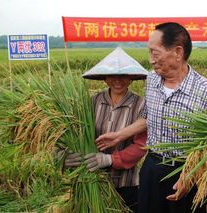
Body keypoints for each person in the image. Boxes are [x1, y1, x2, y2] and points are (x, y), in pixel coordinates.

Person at [96, 22, 207, 213]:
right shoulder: (152, 80)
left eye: (155, 54)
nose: (151, 60)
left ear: (178, 52)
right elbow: (148, 117)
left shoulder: (205, 91)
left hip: (186, 171)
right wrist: (120, 135)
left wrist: (191, 175)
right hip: (152, 168)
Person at [63, 47, 148, 212]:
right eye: (112, 76)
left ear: (131, 78)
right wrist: (65, 155)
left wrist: (110, 159)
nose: (118, 81)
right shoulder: (92, 103)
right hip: (90, 178)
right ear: (104, 78)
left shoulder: (141, 105)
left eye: (123, 76)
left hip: (126, 183)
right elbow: (75, 134)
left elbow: (142, 145)